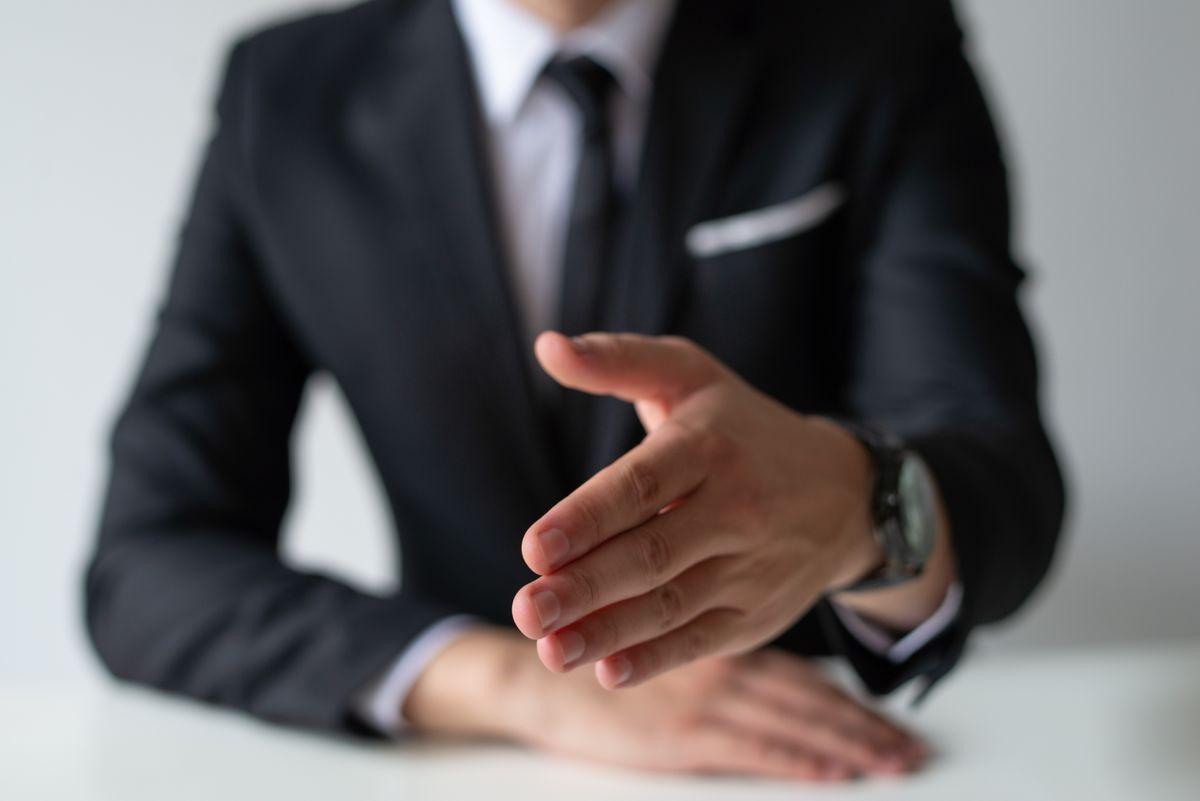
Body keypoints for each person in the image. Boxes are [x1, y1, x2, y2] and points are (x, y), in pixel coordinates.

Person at [85, 0, 1065, 782]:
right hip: (467, 766)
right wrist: (513, 687)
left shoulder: (877, 41)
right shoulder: (286, 96)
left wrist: (861, 500)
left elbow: (1002, 475)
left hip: (824, 753)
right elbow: (146, 560)